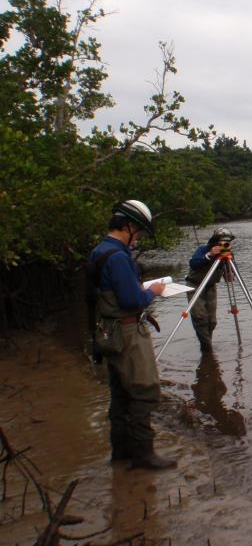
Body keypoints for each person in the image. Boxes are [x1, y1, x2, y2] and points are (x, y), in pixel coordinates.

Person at [89, 200, 175, 470]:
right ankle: (144, 454)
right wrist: (155, 291)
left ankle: (121, 451)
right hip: (126, 333)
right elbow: (132, 300)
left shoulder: (99, 251)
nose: (137, 239)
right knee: (145, 390)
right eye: (137, 233)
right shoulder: (117, 257)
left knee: (120, 393)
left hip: (108, 332)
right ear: (127, 227)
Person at [185, 228, 235, 351]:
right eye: (221, 241)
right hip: (195, 286)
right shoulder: (204, 249)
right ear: (214, 241)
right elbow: (193, 263)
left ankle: (207, 349)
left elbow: (230, 275)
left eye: (226, 242)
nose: (223, 244)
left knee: (212, 321)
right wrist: (210, 255)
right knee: (200, 318)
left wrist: (230, 274)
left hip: (210, 287)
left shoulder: (227, 254)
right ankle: (207, 349)